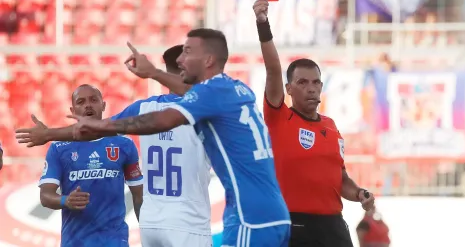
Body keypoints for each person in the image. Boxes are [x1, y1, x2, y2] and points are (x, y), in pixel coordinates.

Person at [42, 29, 291, 246]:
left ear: (207, 60)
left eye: (188, 52)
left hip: (211, 218)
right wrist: (154, 73)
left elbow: (160, 120)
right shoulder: (237, 90)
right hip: (222, 217)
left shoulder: (169, 104)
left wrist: (51, 133)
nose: (182, 59)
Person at [18, 46, 214, 247]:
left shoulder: (142, 109)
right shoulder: (207, 111)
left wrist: (48, 133)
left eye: (94, 100)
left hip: (152, 224)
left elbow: (95, 130)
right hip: (189, 222)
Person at [253, 0, 375, 247]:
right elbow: (273, 69)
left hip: (333, 226)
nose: (311, 88)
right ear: (288, 89)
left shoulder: (330, 126)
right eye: (302, 83)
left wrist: (360, 194)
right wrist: (263, 24)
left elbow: (341, 180)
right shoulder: (279, 117)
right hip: (294, 225)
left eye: (316, 82)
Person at [38, 84, 144, 247]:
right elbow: (45, 196)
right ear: (73, 111)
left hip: (114, 241)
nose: (88, 105)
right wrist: (66, 200)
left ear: (103, 105)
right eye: (81, 102)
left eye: (93, 100)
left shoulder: (124, 144)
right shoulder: (59, 148)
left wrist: (147, 233)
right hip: (75, 242)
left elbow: (139, 196)